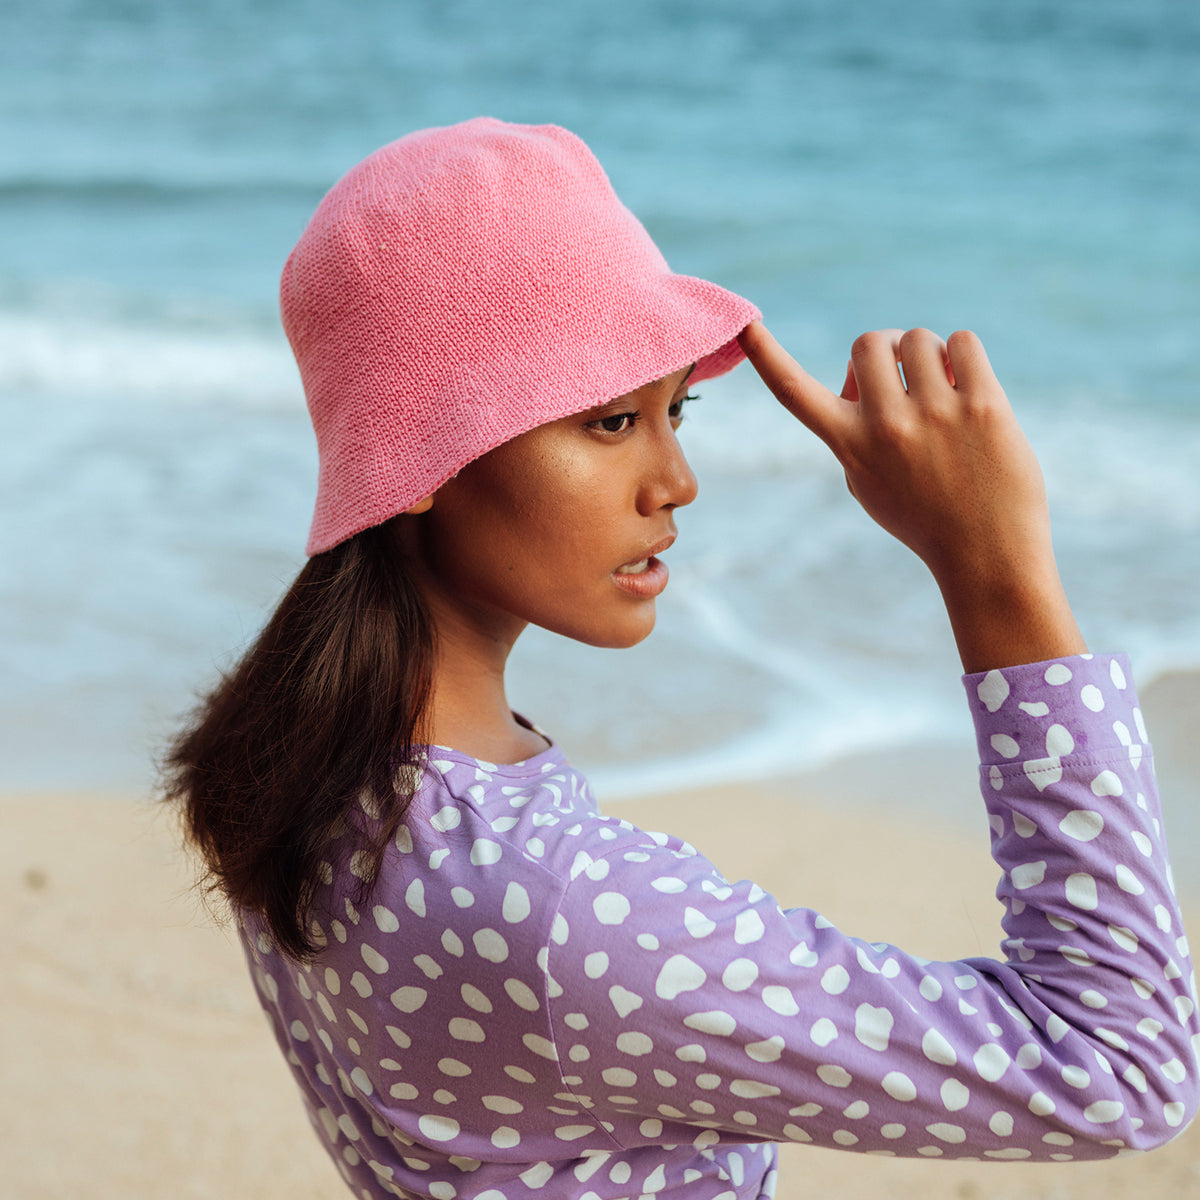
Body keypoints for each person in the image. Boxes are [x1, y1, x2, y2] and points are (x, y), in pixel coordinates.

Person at [164, 117, 1198, 1200]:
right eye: (612, 422)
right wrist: (997, 576)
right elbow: (1118, 1068)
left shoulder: (291, 766)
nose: (677, 480)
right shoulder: (567, 909)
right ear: (417, 456)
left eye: (677, 410)